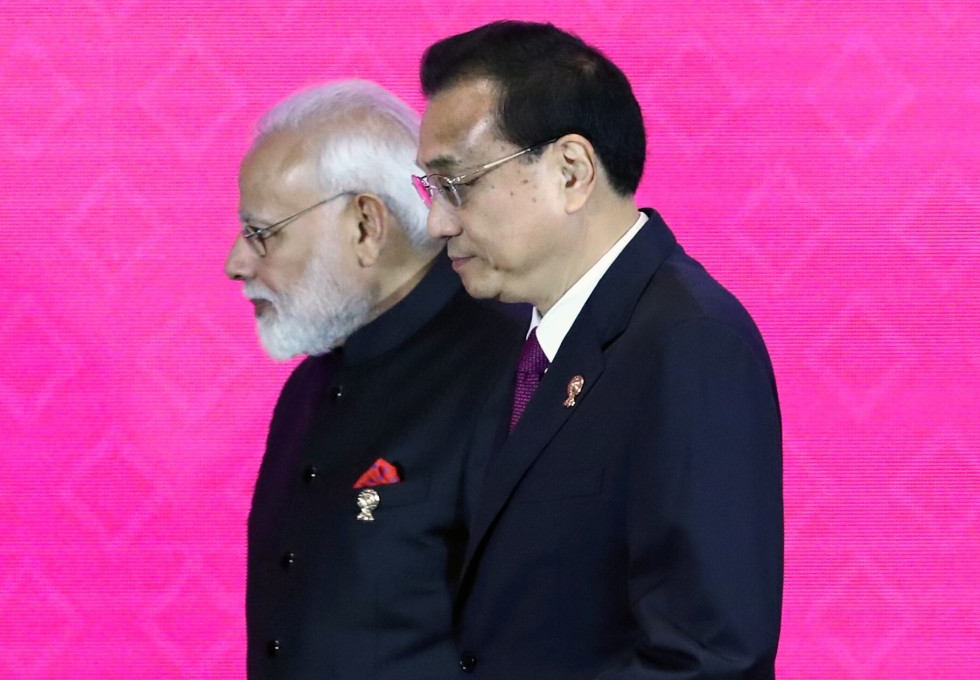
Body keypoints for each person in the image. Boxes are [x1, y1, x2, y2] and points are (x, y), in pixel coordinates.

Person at [413, 21, 784, 679]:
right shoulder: (510, 343)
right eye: (429, 191)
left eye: (457, 185)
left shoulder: (690, 344)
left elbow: (709, 658)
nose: (438, 223)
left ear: (571, 171)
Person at [225, 80, 523, 679]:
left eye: (262, 233)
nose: (237, 263)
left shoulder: (513, 370)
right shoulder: (309, 388)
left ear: (365, 224)